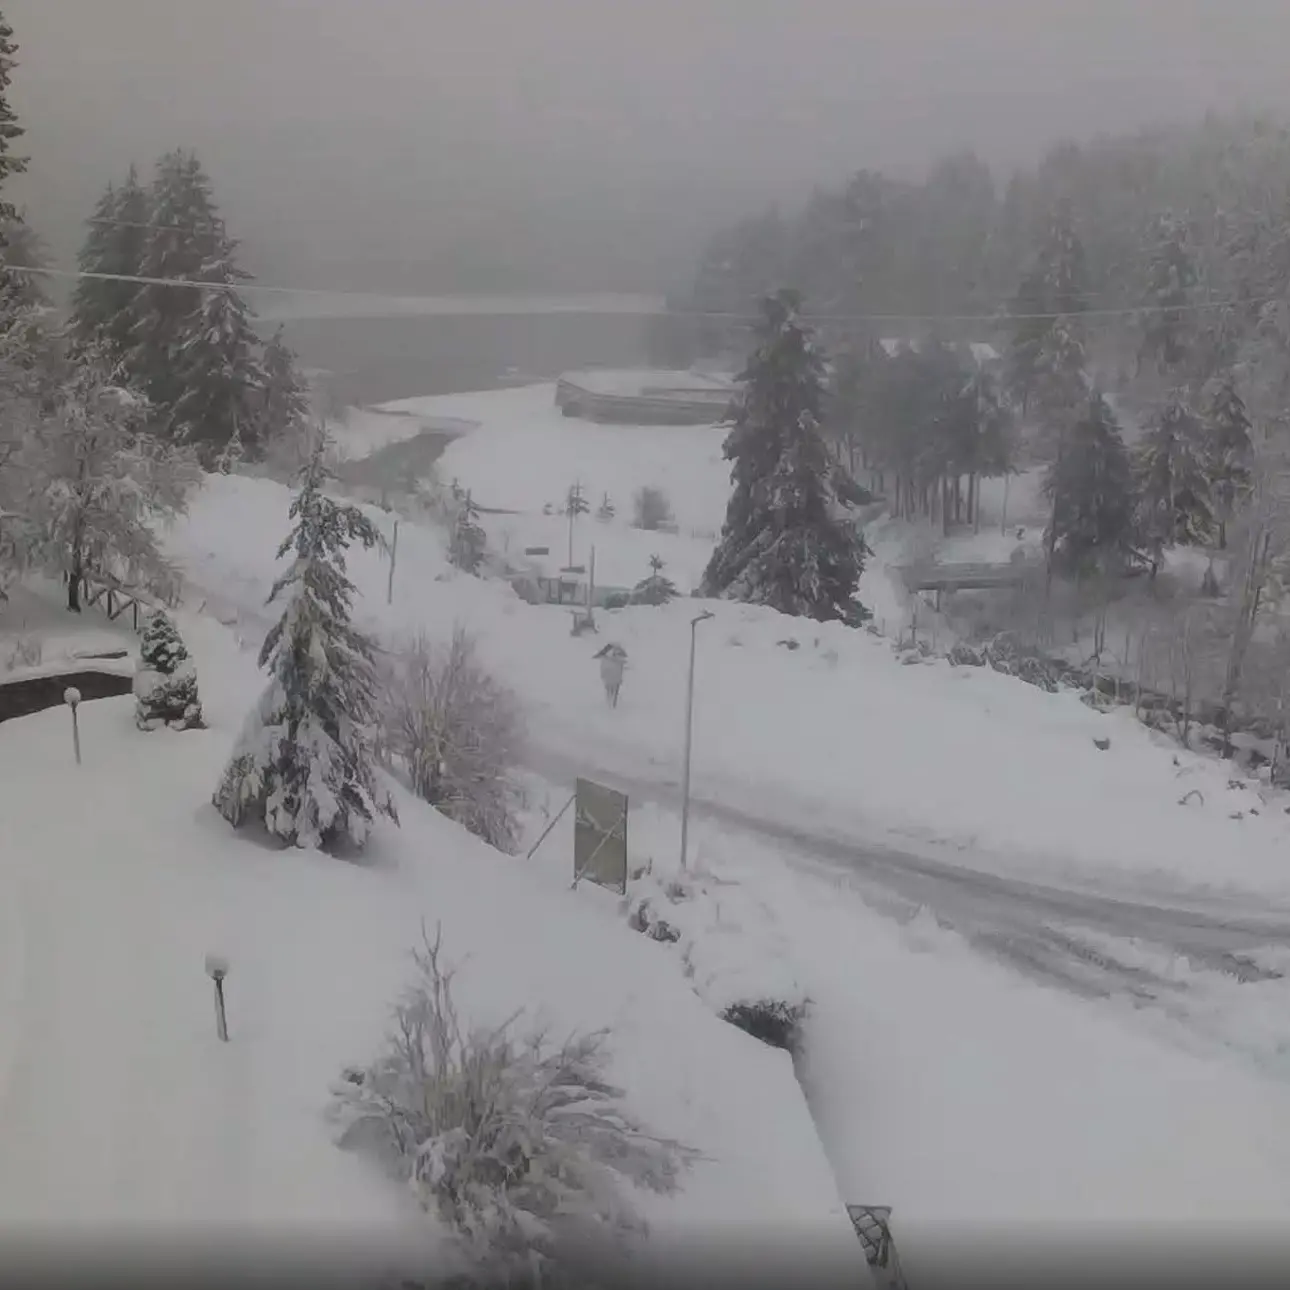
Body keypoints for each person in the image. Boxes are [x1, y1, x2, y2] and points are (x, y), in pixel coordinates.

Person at [593, 642, 627, 708]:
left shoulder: (611, 656)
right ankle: (611, 704)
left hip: (613, 675)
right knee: (611, 688)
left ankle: (612, 704)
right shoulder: (609, 657)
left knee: (612, 688)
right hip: (611, 675)